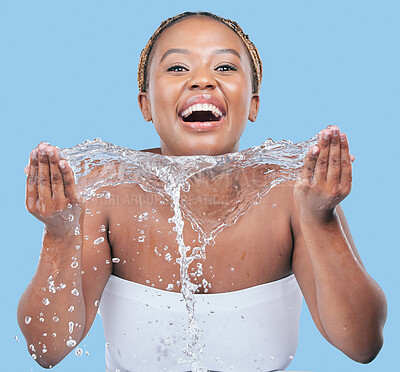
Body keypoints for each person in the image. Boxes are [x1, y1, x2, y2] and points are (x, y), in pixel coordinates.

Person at [17, 11, 387, 372]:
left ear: (253, 104)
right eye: (178, 68)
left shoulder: (294, 194)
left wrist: (321, 220)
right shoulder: (106, 192)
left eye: (224, 67)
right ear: (145, 105)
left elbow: (361, 344)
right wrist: (60, 235)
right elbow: (47, 349)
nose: (202, 81)